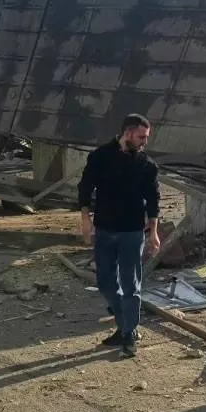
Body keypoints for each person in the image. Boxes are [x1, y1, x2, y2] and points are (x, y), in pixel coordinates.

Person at [78, 113, 162, 357]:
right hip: (104, 230)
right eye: (141, 137)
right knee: (105, 282)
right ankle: (124, 325)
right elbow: (84, 188)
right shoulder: (100, 157)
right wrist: (86, 220)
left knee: (130, 286)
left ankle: (129, 333)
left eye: (146, 137)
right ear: (127, 133)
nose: (144, 142)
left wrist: (154, 233)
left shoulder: (146, 165)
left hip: (132, 233)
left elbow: (154, 201)